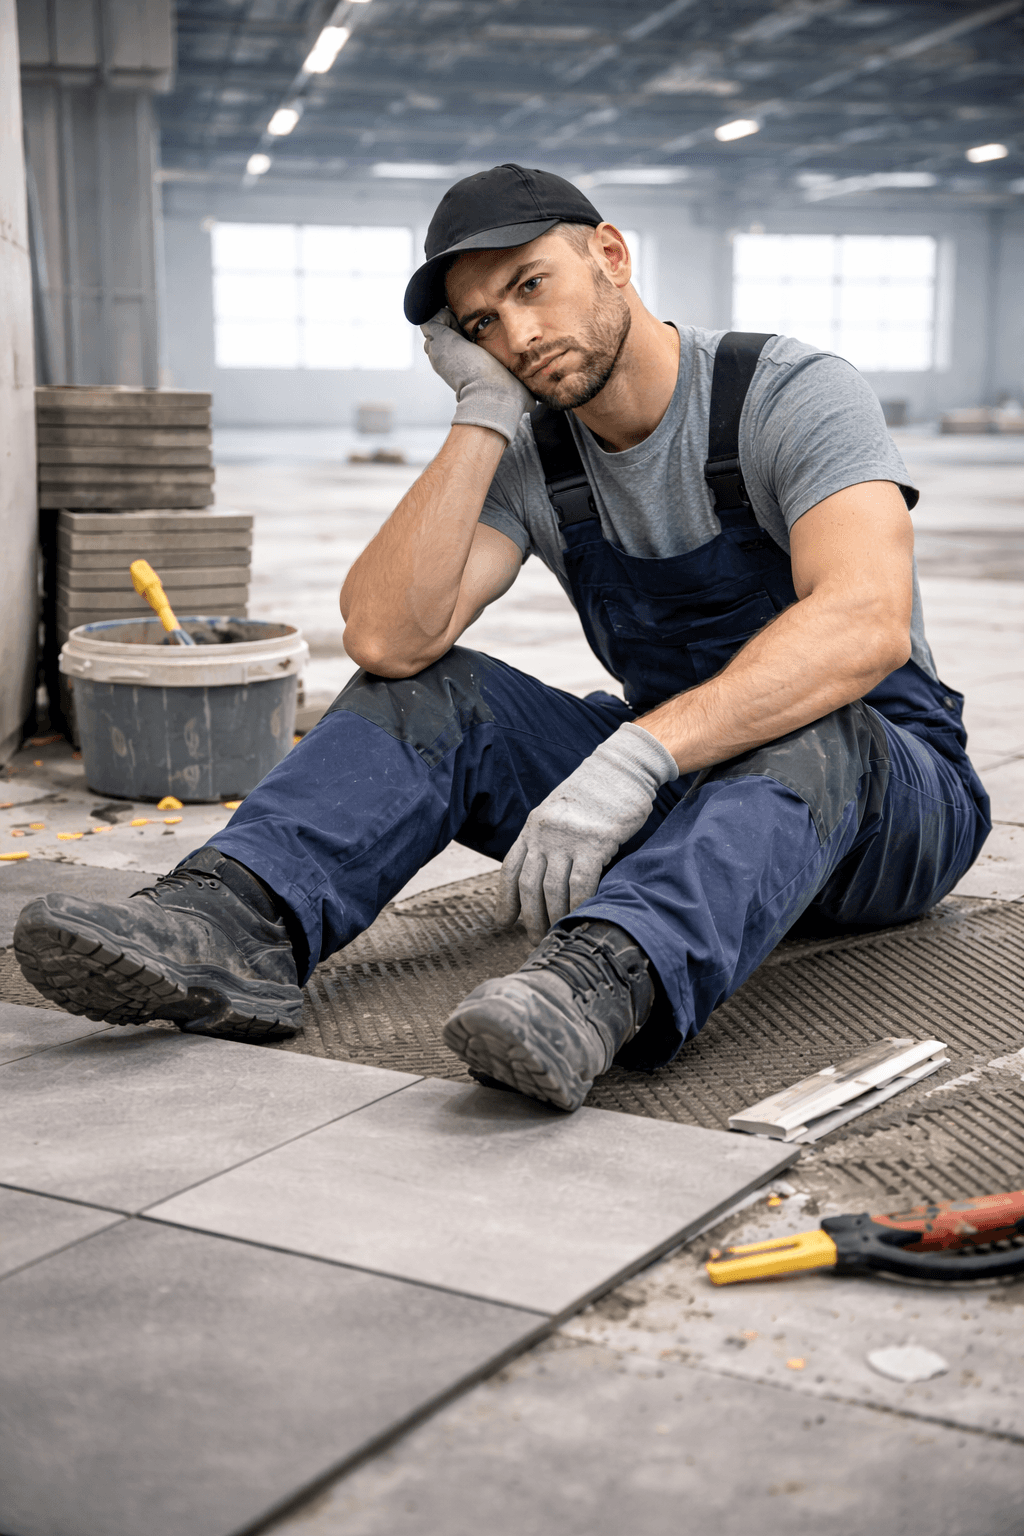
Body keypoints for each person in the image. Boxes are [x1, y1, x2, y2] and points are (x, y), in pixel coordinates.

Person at [16, 164, 989, 1113]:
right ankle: (230, 923)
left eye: (532, 287)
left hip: (884, 802)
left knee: (816, 723)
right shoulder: (537, 454)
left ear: (609, 254)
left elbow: (862, 623)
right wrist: (482, 415)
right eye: (481, 323)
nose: (517, 335)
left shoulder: (785, 393)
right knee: (431, 692)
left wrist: (639, 755)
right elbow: (388, 638)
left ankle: (594, 981)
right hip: (691, 794)